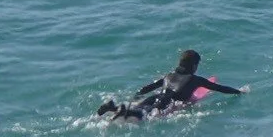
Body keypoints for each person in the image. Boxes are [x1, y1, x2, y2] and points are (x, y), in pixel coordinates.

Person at [99, 50, 244, 121]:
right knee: (147, 115)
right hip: (169, 101)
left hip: (155, 96)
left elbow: (147, 88)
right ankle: (126, 111)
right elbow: (220, 88)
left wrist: (137, 95)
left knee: (141, 107)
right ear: (194, 66)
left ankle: (114, 107)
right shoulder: (195, 80)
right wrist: (239, 91)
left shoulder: (168, 76)